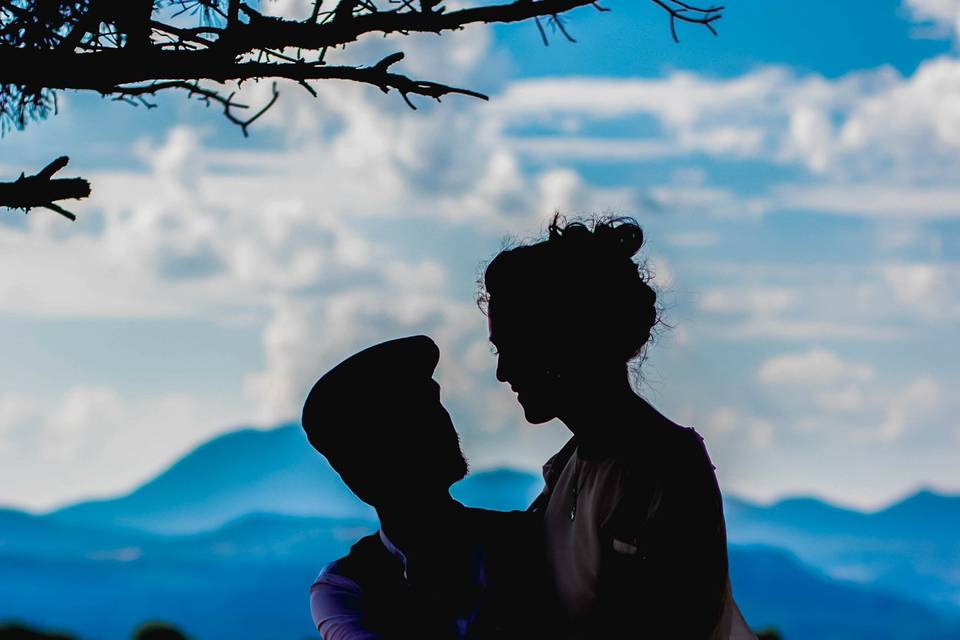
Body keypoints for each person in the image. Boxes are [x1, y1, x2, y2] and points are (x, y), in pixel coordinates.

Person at [480, 215, 755, 639]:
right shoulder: (570, 468)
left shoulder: (664, 471)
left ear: (562, 340)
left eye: (513, 347)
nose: (502, 372)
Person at [301, 335, 554, 640]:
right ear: (361, 475)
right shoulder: (344, 587)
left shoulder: (531, 536)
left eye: (434, 406)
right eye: (411, 421)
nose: (442, 425)